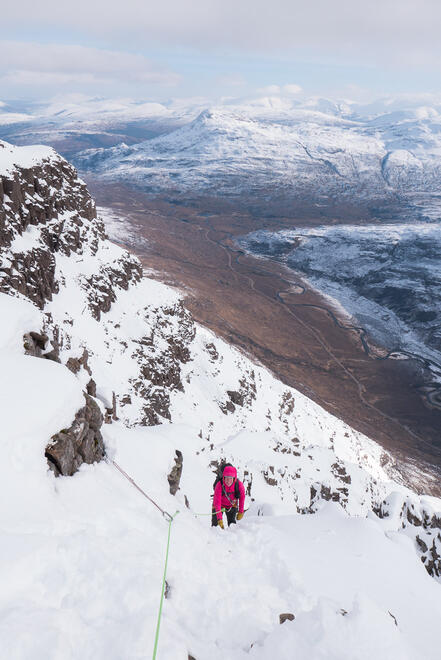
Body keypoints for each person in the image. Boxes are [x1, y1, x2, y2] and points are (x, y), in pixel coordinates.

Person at [212, 464, 245, 529]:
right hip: (219, 505)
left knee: (232, 525)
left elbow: (242, 497)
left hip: (232, 505)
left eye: (230, 478)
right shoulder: (219, 485)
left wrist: (241, 511)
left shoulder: (239, 485)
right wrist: (219, 519)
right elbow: (217, 502)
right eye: (226, 478)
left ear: (234, 478)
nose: (228, 480)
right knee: (216, 527)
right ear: (224, 477)